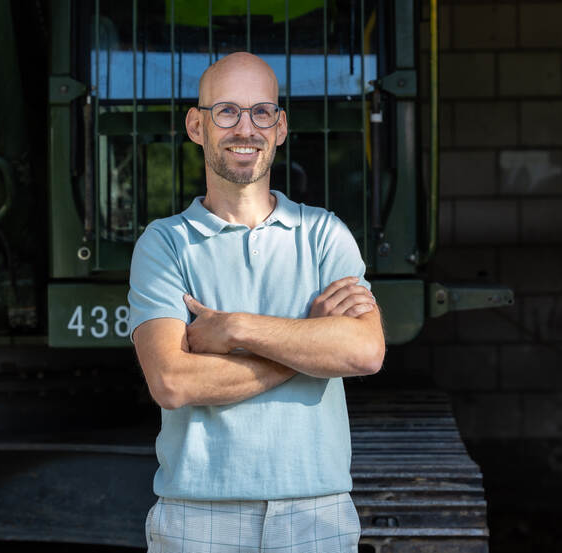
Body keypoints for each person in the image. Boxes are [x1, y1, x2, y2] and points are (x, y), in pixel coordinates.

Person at [127, 52, 385, 552]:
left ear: (281, 127)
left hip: (317, 513)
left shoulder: (324, 234)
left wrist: (238, 329)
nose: (245, 128)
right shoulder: (164, 244)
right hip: (197, 516)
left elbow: (363, 353)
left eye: (261, 112)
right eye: (226, 111)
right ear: (196, 125)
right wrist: (306, 345)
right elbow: (173, 381)